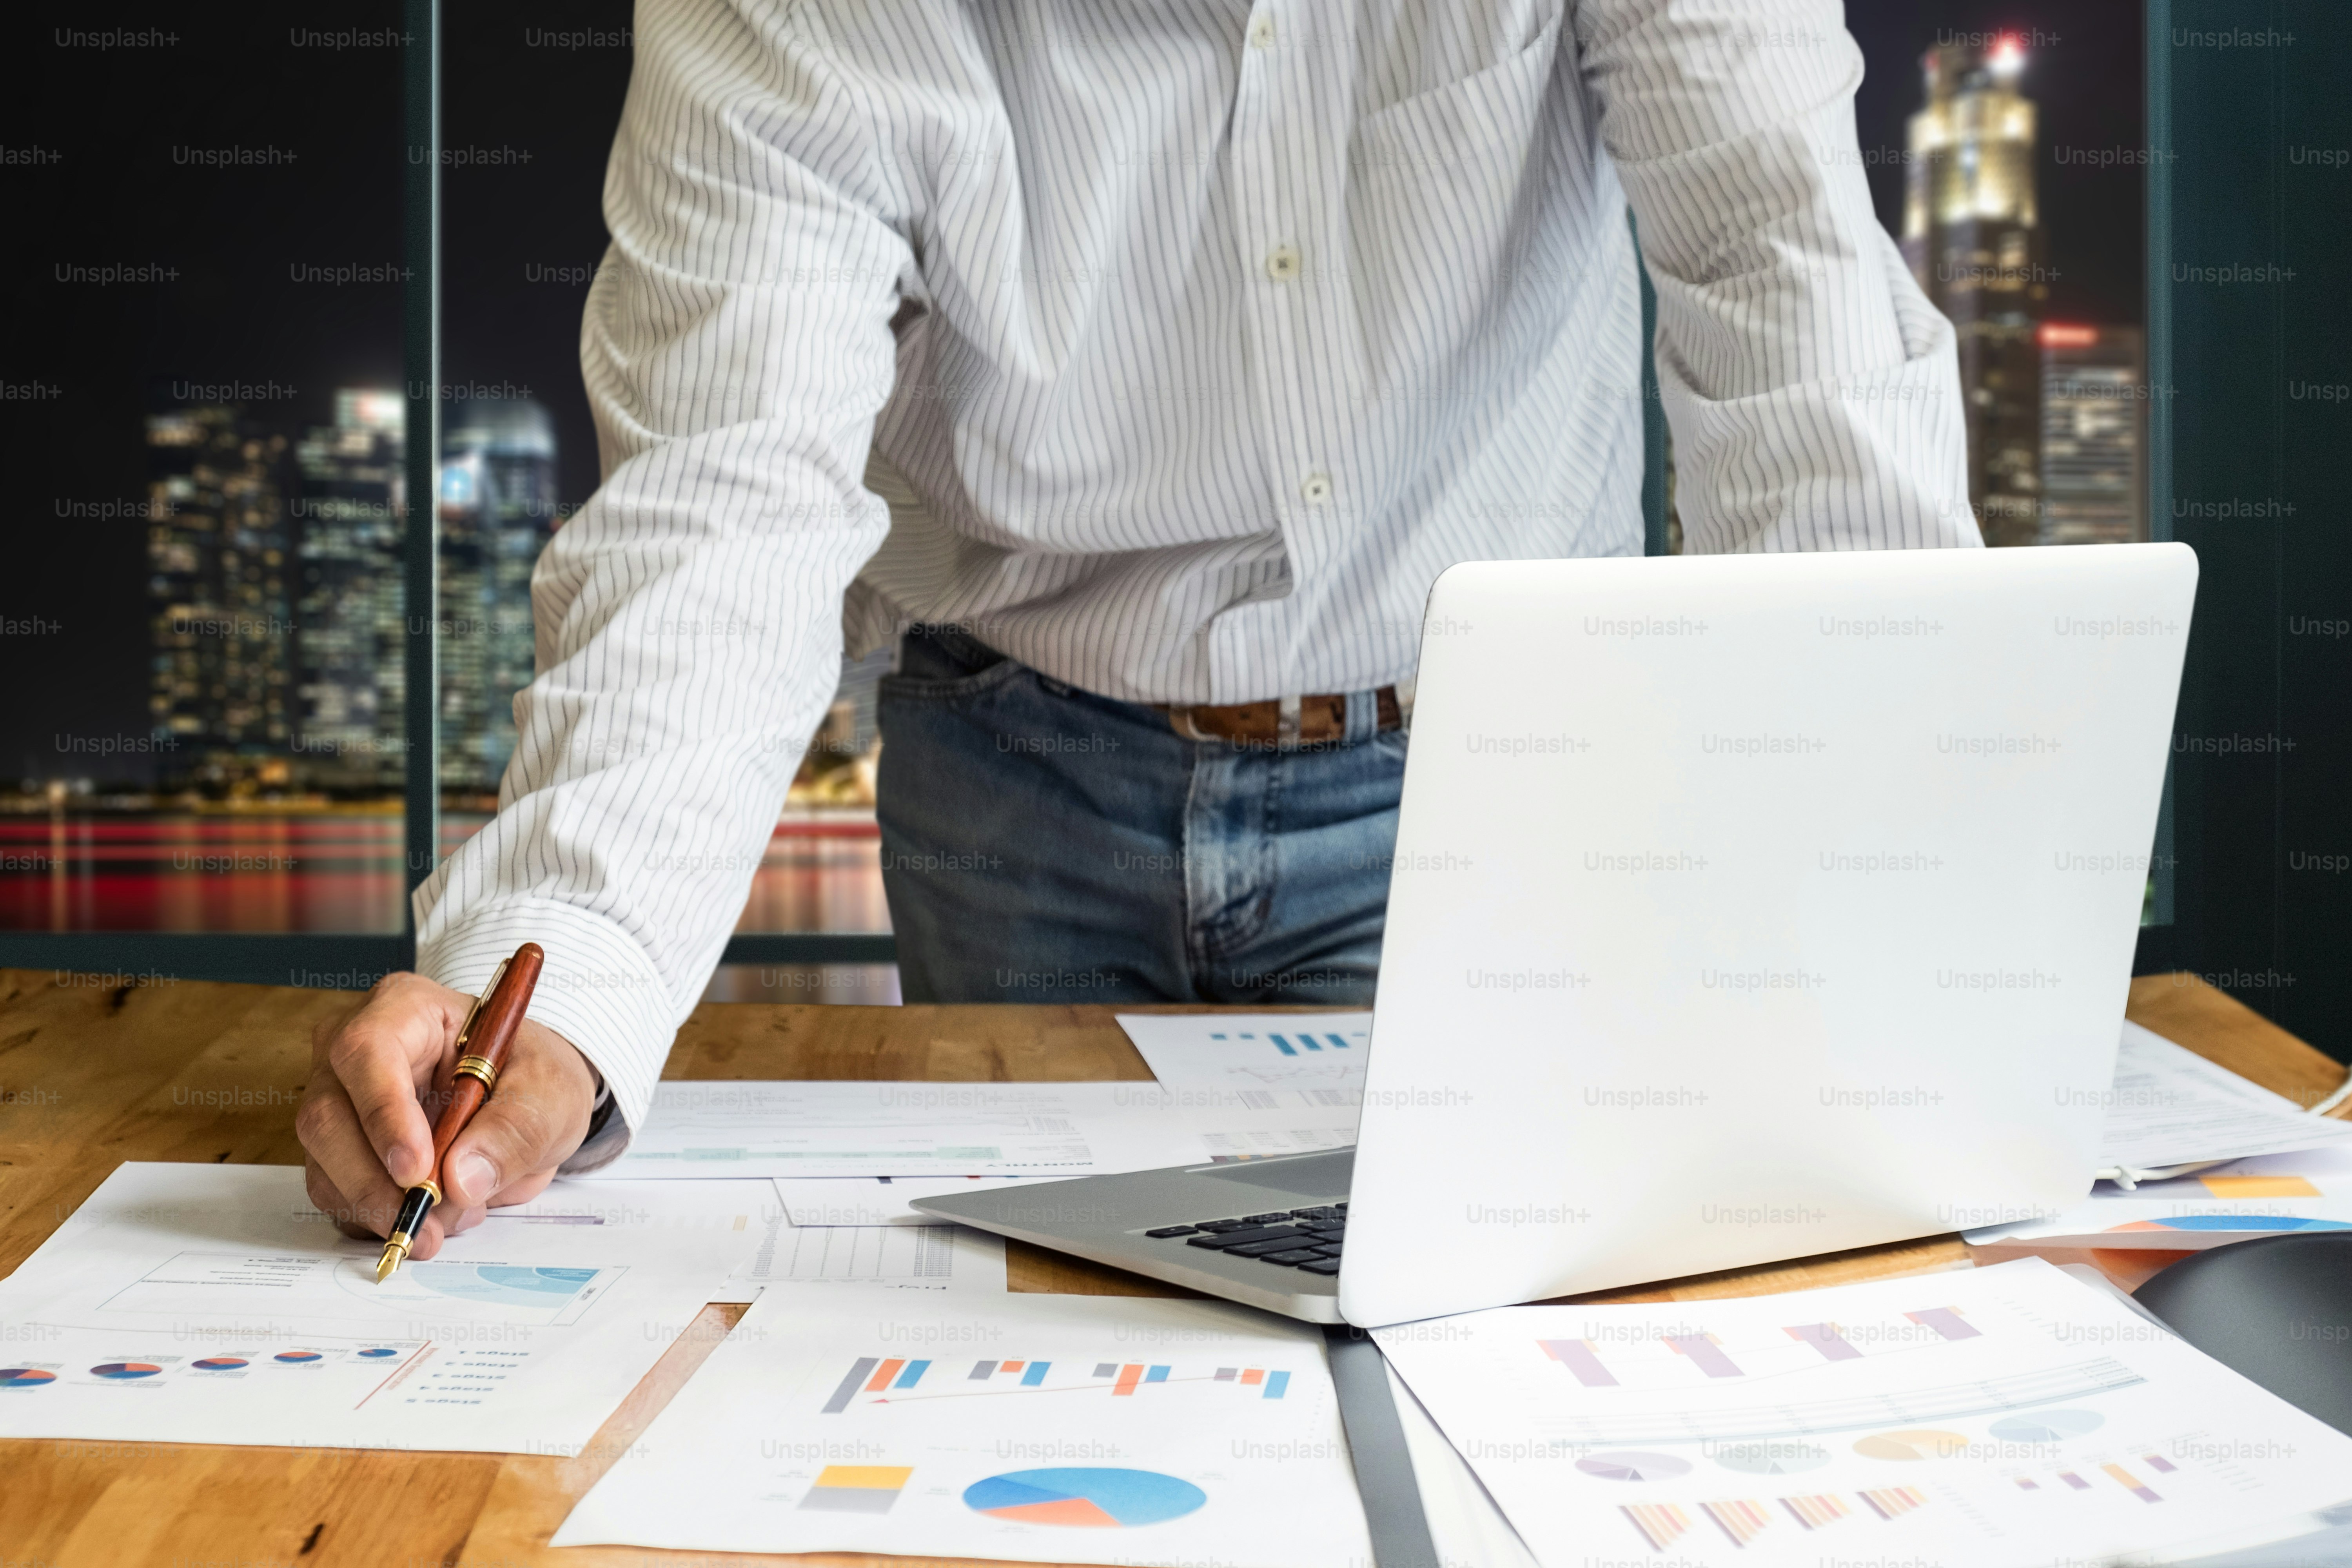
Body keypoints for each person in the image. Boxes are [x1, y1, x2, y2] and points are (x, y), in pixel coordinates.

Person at [298, 0, 1976, 1257]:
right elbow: (725, 498)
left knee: (1475, 1345)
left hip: (1489, 774)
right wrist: (562, 986)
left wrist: (1877, 892)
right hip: (1018, 769)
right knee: (1021, 1326)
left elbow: (1786, 294)